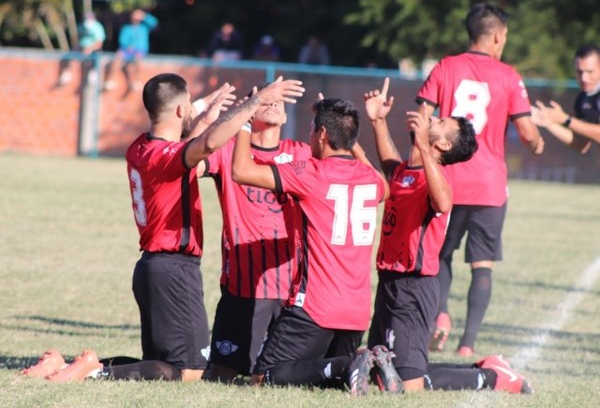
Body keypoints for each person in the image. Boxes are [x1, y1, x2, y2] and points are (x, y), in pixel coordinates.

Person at [21, 74, 306, 382]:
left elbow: (185, 143)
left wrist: (200, 111)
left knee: (160, 363)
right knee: (191, 371)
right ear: (181, 111)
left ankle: (64, 367)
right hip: (174, 268)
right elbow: (206, 145)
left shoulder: (139, 148)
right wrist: (254, 103)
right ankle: (95, 371)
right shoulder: (169, 156)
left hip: (151, 267)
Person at [363, 78, 532, 395]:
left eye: (439, 122)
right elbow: (391, 167)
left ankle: (494, 378)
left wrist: (423, 147)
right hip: (390, 281)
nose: (432, 118)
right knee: (382, 374)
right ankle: (483, 368)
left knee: (408, 386)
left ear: (442, 146)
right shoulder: (408, 171)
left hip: (414, 286)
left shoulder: (438, 180)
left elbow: (442, 202)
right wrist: (378, 121)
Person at [232, 97, 393, 395]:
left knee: (264, 378)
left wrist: (245, 119)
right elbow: (384, 184)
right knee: (322, 383)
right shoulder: (371, 179)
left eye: (311, 131)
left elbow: (241, 171)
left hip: (314, 307)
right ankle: (352, 364)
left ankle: (350, 363)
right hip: (356, 313)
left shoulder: (311, 173)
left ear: (321, 135)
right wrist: (350, 140)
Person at [416, 3, 544, 357]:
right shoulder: (508, 75)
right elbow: (527, 130)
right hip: (489, 186)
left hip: (447, 181)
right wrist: (536, 142)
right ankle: (467, 344)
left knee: (441, 256)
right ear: (498, 36)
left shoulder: (446, 66)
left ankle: (441, 316)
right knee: (481, 264)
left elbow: (422, 117)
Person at [199, 83, 312, 381]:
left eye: (280, 103)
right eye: (266, 100)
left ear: (287, 118)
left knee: (270, 379)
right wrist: (213, 117)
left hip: (289, 287)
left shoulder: (301, 153)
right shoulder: (227, 151)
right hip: (243, 284)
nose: (274, 105)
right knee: (222, 374)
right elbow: (189, 158)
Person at [532, 45, 600, 149]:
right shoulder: (582, 99)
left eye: (590, 71)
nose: (584, 78)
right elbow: (581, 144)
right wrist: (549, 123)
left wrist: (566, 119)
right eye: (579, 72)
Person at [104, 9, 158, 92]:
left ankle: (137, 81)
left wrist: (144, 16)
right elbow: (122, 39)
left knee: (138, 61)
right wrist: (127, 46)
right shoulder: (126, 28)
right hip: (126, 50)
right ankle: (110, 80)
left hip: (139, 51)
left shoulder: (144, 28)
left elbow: (154, 23)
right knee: (117, 58)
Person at [57, 12, 106, 86]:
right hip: (82, 46)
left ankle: (93, 73)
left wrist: (90, 49)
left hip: (94, 48)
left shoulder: (97, 27)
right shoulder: (82, 26)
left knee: (93, 59)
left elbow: (99, 43)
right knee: (69, 56)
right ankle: (66, 73)